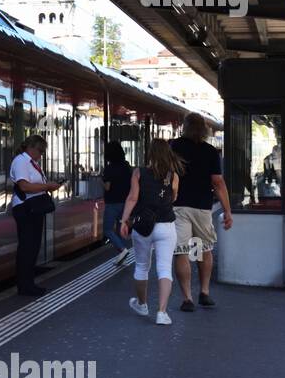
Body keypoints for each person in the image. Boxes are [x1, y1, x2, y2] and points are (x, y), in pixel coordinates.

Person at [169, 113, 233, 312]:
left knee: (181, 251)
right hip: (202, 208)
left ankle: (187, 298)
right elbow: (218, 183)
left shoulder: (174, 147)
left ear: (184, 127)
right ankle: (204, 292)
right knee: (202, 248)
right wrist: (227, 211)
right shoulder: (210, 151)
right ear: (204, 130)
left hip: (179, 207)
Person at [121, 138, 183, 325]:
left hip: (143, 225)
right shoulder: (173, 176)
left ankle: (142, 304)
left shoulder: (139, 172)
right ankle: (162, 313)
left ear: (150, 153)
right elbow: (173, 198)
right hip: (166, 226)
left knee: (141, 266)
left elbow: (132, 198)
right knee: (164, 268)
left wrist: (124, 220)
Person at [10, 134, 60, 297]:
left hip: (34, 209)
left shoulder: (31, 163)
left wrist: (47, 186)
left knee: (33, 246)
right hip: (25, 209)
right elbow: (24, 186)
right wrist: (47, 186)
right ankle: (25, 286)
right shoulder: (21, 162)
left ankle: (29, 283)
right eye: (40, 150)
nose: (41, 154)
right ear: (31, 148)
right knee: (27, 247)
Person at [100, 141, 133, 267]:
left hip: (113, 203)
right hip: (125, 203)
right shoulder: (126, 166)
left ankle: (122, 249)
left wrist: (100, 181)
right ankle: (123, 255)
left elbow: (107, 187)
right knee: (121, 229)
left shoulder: (109, 168)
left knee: (107, 230)